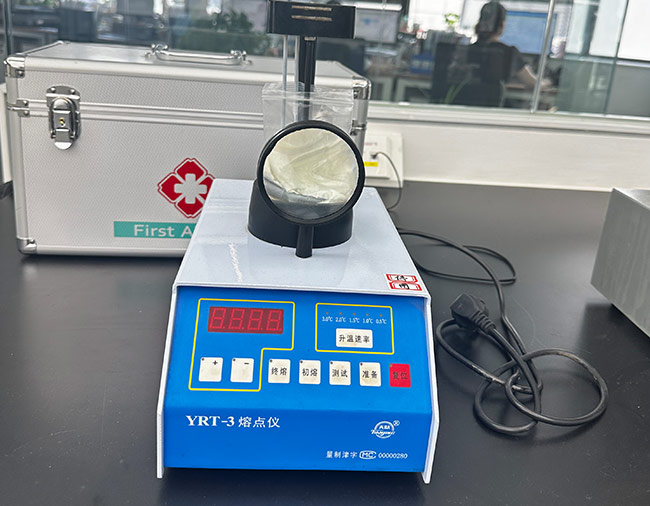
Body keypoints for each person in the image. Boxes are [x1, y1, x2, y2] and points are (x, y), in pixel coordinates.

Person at [473, 1, 537, 89]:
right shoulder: (508, 52)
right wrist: (548, 82)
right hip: (493, 97)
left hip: (466, 97)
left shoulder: (469, 50)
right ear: (502, 25)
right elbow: (532, 83)